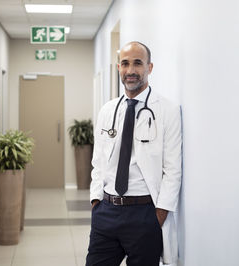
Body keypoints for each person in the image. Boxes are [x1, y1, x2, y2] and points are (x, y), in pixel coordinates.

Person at [86, 41, 182, 266]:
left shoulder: (167, 110)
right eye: (125, 64)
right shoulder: (108, 110)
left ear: (149, 67)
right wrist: (95, 202)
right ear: (118, 68)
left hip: (145, 214)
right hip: (106, 212)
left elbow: (173, 170)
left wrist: (158, 217)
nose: (130, 71)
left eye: (137, 63)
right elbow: (98, 162)